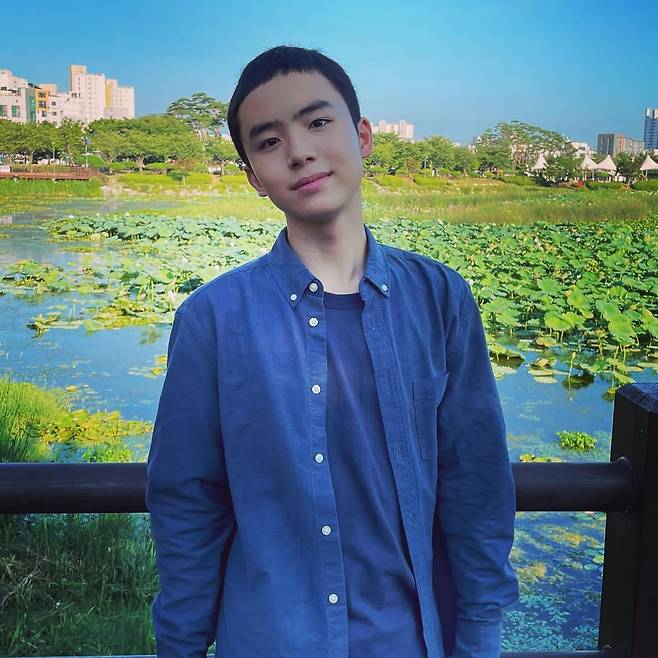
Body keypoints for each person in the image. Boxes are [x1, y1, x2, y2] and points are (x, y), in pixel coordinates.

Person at [146, 45, 519, 658]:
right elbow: (187, 504)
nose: (299, 151)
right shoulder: (211, 320)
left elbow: (475, 484)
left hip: (415, 643)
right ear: (254, 177)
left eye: (318, 122)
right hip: (272, 642)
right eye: (269, 142)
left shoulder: (440, 298)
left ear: (362, 136)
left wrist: (479, 634)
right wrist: (180, 646)